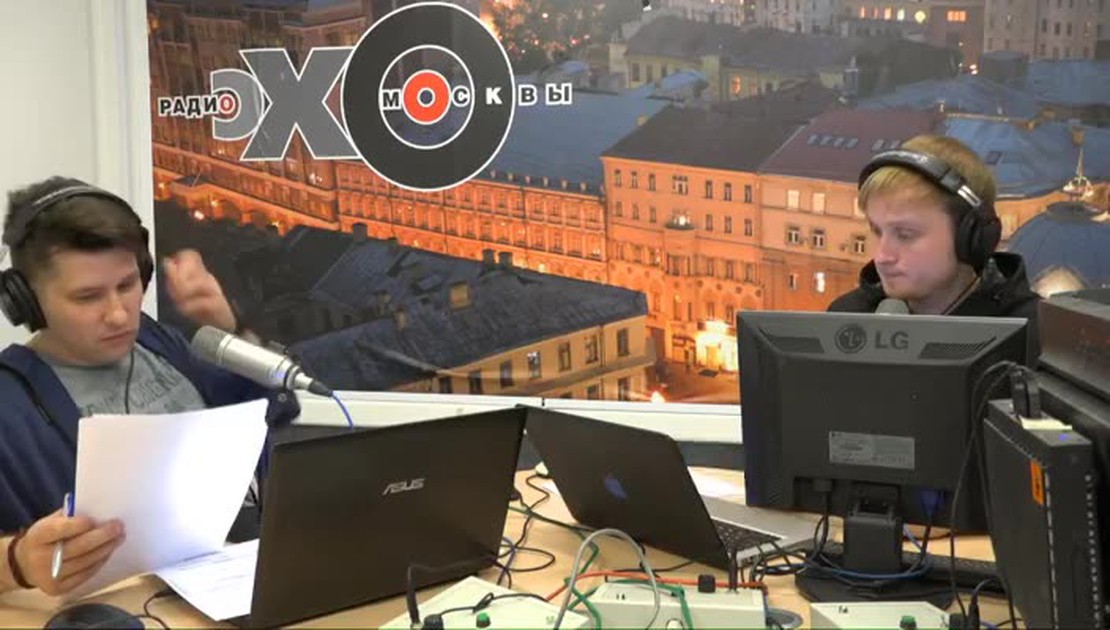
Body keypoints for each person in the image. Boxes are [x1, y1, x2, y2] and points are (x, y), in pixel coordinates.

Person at [0, 177, 298, 596]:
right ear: (26, 301)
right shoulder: (10, 403)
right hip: (125, 610)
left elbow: (272, 411)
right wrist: (17, 562)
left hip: (241, 582)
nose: (119, 315)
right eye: (87, 297)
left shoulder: (159, 341)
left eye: (127, 286)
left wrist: (229, 331)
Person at [828, 134, 1041, 360]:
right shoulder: (845, 319)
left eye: (905, 235)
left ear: (971, 237)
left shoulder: (1037, 337)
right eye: (877, 231)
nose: (882, 256)